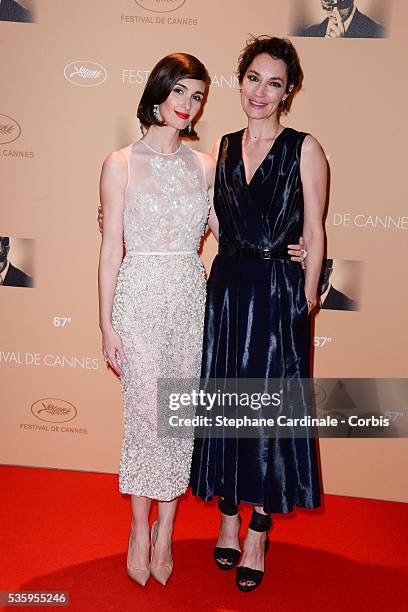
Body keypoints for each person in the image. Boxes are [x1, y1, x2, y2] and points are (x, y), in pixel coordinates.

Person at [190, 36, 327, 592]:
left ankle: (258, 530)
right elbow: (217, 221)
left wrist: (307, 296)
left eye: (274, 82)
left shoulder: (305, 147)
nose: (261, 91)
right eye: (253, 78)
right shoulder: (220, 148)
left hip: (278, 292)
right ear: (239, 80)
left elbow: (315, 231)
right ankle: (228, 515)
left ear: (288, 90)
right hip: (228, 288)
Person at [98, 52, 216, 587]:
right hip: (139, 300)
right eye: (180, 93)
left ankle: (167, 531)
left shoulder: (206, 165)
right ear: (158, 92)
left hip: (191, 301)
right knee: (146, 416)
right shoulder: (119, 163)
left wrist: (294, 245)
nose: (187, 106)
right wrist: (106, 324)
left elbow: (234, 233)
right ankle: (138, 529)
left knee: (177, 420)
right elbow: (109, 251)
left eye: (197, 96)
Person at [297, 0, 384, 38]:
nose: (335, 11)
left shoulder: (377, 33)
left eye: (342, 2)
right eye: (329, 2)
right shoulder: (311, 33)